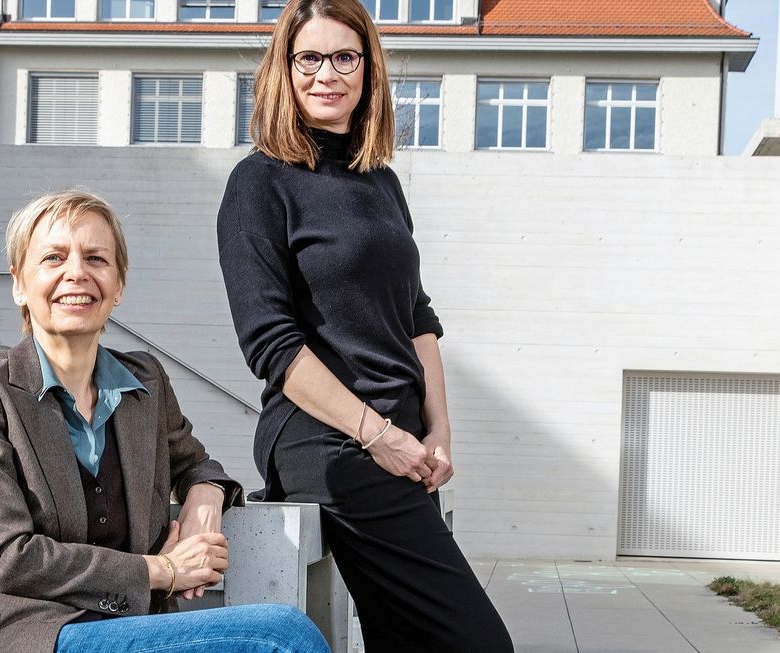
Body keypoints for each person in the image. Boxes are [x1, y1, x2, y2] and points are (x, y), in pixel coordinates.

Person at [216, 0, 514, 650]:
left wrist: (438, 430)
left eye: (345, 56)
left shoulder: (379, 180)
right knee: (477, 642)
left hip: (400, 446)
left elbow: (418, 316)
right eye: (310, 58)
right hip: (331, 445)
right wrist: (377, 434)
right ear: (284, 71)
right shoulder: (260, 184)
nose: (328, 73)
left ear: (368, 69)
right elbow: (271, 344)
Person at [0, 190, 330, 653]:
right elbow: (3, 558)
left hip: (126, 629)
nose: (76, 272)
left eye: (96, 258)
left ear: (118, 285)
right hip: (18, 634)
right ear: (19, 283)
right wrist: (162, 571)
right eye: (53, 257)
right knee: (280, 636)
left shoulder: (145, 381)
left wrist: (207, 491)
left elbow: (196, 462)